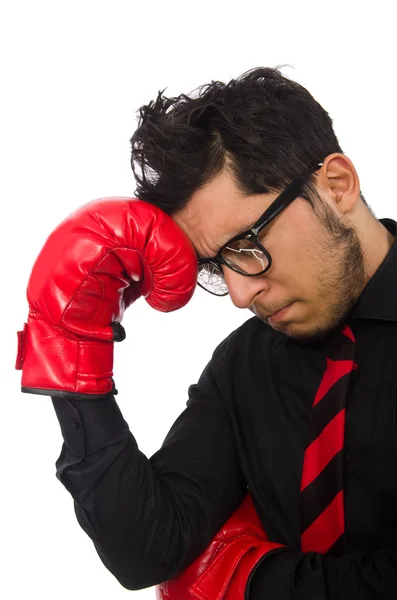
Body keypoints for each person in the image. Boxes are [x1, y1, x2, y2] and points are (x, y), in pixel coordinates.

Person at [16, 67, 397, 599]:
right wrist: (71, 345)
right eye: (218, 266)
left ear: (336, 185)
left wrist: (251, 584)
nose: (241, 295)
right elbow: (148, 550)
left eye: (247, 246)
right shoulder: (245, 363)